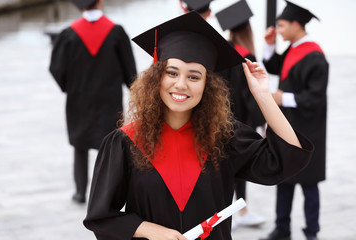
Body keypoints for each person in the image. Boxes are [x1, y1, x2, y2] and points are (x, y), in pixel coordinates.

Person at [83, 12, 313, 240]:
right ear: (156, 78)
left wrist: (263, 96)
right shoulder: (125, 142)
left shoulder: (225, 137)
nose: (181, 84)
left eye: (194, 77)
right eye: (171, 73)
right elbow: (101, 218)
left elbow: (286, 160)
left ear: (207, 85)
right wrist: (151, 231)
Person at [49, 0, 137, 204]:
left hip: (78, 101)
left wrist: (68, 86)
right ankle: (105, 196)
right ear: (100, 1)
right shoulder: (116, 32)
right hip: (109, 101)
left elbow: (56, 69)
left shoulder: (68, 34)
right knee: (107, 148)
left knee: (80, 147)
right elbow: (130, 71)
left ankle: (80, 193)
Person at [259, 1, 328, 240]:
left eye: (281, 25)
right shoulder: (293, 48)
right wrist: (269, 46)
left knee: (309, 185)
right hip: (289, 126)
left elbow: (316, 97)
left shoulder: (316, 56)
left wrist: (282, 97)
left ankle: (312, 233)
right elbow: (277, 67)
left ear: (296, 25)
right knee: (284, 180)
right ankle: (282, 229)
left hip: (310, 129)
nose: (277, 30)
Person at [215, 0, 266, 229]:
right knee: (240, 168)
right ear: (248, 29)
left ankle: (224, 212)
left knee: (221, 166)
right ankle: (241, 212)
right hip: (241, 121)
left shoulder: (221, 52)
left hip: (218, 118)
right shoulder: (247, 56)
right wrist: (263, 122)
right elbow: (251, 95)